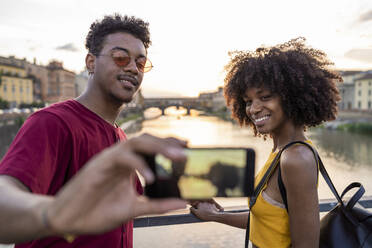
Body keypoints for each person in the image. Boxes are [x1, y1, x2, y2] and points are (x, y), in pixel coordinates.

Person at [0, 14, 187, 247]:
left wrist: (185, 190)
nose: (132, 68)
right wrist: (55, 213)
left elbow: (128, 201)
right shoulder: (52, 123)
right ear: (90, 62)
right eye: (120, 57)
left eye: (140, 63)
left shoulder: (119, 136)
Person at [190, 37, 341, 248]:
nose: (253, 108)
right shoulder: (281, 151)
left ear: (292, 97)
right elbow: (269, 222)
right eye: (248, 101)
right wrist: (216, 215)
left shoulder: (296, 159)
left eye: (265, 97)